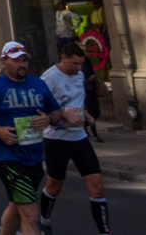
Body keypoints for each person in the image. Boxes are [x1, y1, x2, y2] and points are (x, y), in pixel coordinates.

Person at [0, 41, 66, 235]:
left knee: (17, 207)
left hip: (34, 155)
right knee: (31, 215)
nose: (22, 64)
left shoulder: (38, 84)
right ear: (5, 62)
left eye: (24, 60)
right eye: (16, 60)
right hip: (8, 156)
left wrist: (48, 119)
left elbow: (56, 112)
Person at [39, 44, 111, 235]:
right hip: (56, 139)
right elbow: (39, 107)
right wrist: (63, 114)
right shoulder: (49, 78)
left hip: (79, 137)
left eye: (81, 64)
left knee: (97, 187)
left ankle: (104, 232)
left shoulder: (79, 75)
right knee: (54, 185)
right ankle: (44, 219)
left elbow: (79, 98)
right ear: (63, 58)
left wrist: (86, 114)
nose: (79, 68)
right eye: (75, 63)